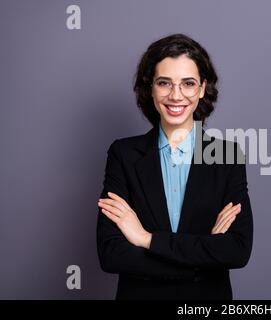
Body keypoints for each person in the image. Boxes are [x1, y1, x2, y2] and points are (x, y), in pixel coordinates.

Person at [96, 33, 253, 300]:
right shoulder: (123, 154)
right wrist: (201, 259)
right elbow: (112, 255)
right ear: (151, 88)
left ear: (202, 88)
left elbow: (236, 250)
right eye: (164, 83)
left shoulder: (227, 155)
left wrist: (146, 239)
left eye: (188, 83)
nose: (176, 95)